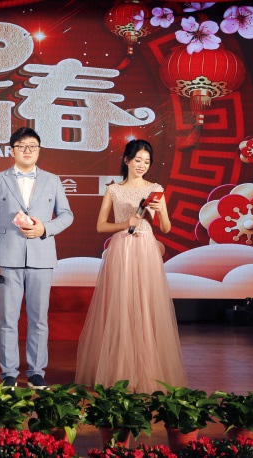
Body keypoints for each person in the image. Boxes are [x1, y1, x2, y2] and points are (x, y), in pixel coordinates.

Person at [75, 139, 187, 393]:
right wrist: (126, 223)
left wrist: (161, 211)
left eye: (147, 161)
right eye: (138, 160)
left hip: (146, 249)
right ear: (126, 160)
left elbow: (166, 228)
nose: (142, 165)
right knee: (122, 306)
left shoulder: (155, 189)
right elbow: (101, 226)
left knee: (147, 304)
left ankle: (149, 372)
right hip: (122, 249)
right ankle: (120, 372)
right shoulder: (114, 190)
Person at [0, 126, 74, 389]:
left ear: (39, 151)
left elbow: (67, 215)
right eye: (21, 146)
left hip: (42, 258)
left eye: (32, 146)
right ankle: (9, 374)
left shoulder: (52, 180)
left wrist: (45, 228)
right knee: (7, 319)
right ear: (12, 151)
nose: (27, 150)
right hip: (7, 258)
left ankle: (36, 373)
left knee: (39, 319)